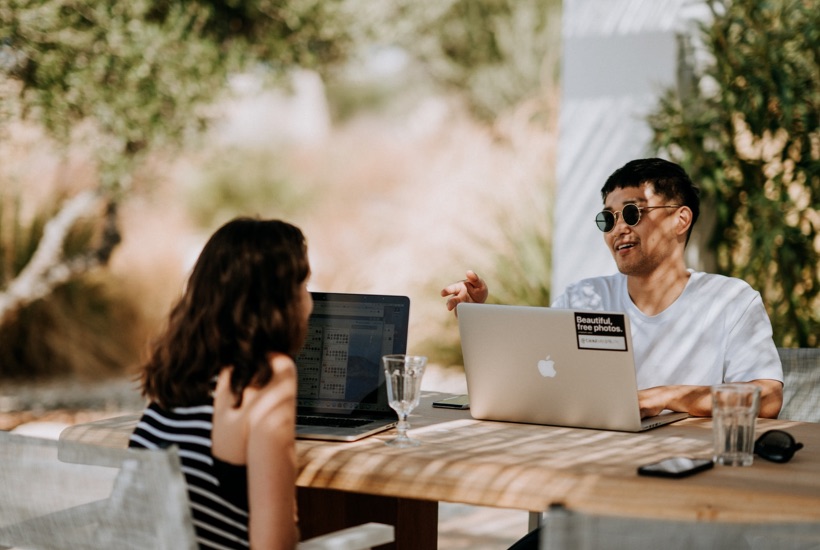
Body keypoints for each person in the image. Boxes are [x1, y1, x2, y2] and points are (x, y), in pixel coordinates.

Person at [442, 158, 783, 419]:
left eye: (632, 213)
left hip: (688, 466)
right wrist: (480, 317)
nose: (618, 228)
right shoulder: (582, 298)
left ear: (680, 220)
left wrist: (664, 397)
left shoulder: (731, 300)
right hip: (592, 458)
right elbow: (531, 377)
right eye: (608, 218)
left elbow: (767, 398)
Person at [129, 217, 312, 550]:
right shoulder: (267, 375)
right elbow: (273, 545)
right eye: (303, 286)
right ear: (279, 302)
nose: (309, 301)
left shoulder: (177, 367)